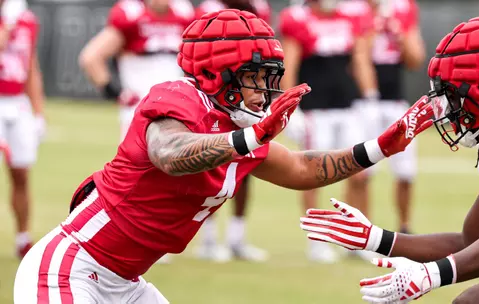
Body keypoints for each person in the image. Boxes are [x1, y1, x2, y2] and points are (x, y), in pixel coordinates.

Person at [14, 9, 432, 303]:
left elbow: (304, 167)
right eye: (256, 77)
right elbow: (170, 154)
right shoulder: (178, 96)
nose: (266, 90)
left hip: (124, 282)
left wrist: (381, 146)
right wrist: (249, 138)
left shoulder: (239, 130)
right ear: (220, 74)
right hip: (69, 269)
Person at [300, 15, 479, 304]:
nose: (449, 108)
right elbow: (472, 242)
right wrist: (376, 238)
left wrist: (433, 275)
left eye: (453, 94)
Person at [278, 0, 379, 263]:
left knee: (361, 173)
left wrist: (370, 97)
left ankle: (357, 239)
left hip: (348, 107)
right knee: (312, 175)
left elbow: (360, 59)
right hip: (315, 110)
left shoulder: (350, 16)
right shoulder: (298, 19)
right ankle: (317, 240)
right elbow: (290, 64)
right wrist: (291, 107)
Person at [193, 0, 272, 263]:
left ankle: (237, 239)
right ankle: (208, 238)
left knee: (246, 164)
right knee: (211, 164)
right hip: (216, 90)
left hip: (246, 90)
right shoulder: (208, 9)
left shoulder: (258, 7)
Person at [352, 0, 425, 237]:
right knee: (361, 171)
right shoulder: (354, 9)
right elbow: (356, 57)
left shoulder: (403, 8)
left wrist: (397, 33)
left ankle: (405, 227)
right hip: (363, 102)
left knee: (406, 172)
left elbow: (415, 59)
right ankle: (361, 230)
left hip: (395, 101)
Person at [79, 0, 194, 141]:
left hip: (177, 108)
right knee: (138, 159)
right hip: (140, 108)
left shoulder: (183, 11)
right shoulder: (131, 14)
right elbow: (91, 58)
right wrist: (115, 93)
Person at [0, 0, 45, 259]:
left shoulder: (25, 18)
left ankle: (22, 238)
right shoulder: (12, 17)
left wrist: (39, 111)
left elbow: (30, 67)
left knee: (21, 172)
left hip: (17, 102)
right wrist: (7, 22)